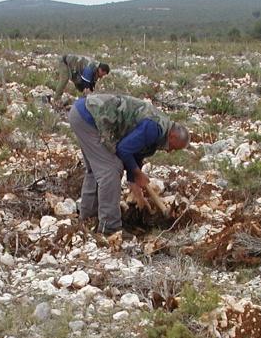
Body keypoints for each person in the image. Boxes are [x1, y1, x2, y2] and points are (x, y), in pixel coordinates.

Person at [68, 93, 189, 235]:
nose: (171, 151)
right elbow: (123, 149)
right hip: (88, 118)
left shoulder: (160, 131)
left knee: (96, 170)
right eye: (174, 147)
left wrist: (135, 187)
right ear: (173, 136)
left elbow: (136, 152)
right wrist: (138, 173)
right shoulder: (154, 129)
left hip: (83, 114)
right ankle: (110, 229)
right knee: (111, 170)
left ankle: (88, 218)